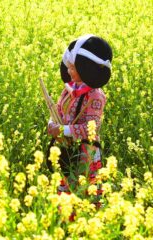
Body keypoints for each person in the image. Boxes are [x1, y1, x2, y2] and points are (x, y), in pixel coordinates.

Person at [47, 34, 113, 205]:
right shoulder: (70, 88)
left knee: (85, 193)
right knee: (65, 190)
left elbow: (92, 127)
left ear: (86, 68)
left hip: (85, 152)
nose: (69, 71)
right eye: (68, 67)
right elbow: (58, 109)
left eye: (73, 68)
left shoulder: (95, 95)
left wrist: (64, 130)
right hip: (66, 149)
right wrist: (52, 123)